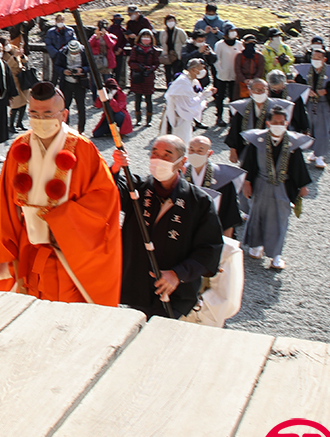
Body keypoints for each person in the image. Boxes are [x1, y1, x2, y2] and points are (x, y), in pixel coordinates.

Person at [0, 82, 121, 305]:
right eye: (34, 114)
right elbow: (5, 206)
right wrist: (6, 249)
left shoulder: (83, 149)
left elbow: (104, 199)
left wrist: (61, 222)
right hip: (28, 248)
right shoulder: (19, 146)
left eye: (48, 114)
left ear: (64, 114)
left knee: (66, 312)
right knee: (28, 308)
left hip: (68, 251)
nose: (41, 119)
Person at [110, 135, 222, 318]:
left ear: (182, 162)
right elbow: (108, 192)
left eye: (167, 155)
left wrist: (178, 274)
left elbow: (210, 249)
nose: (158, 159)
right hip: (138, 285)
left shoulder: (199, 202)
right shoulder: (138, 189)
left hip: (174, 291)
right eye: (155, 153)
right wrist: (116, 167)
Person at [239, 109, 312, 271]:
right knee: (257, 214)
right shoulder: (257, 140)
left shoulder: (292, 142)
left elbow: (298, 166)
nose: (278, 125)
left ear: (286, 123)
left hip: (282, 185)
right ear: (268, 123)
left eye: (281, 122)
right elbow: (249, 163)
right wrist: (247, 182)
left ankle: (276, 254)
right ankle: (256, 245)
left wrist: (302, 186)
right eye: (275, 122)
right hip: (260, 182)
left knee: (280, 219)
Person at [182, 135, 247, 237]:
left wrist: (227, 238)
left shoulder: (222, 178)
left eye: (200, 151)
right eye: (191, 150)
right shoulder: (180, 173)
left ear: (209, 153)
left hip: (213, 231)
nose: (195, 154)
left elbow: (229, 211)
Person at [293, 49, 330, 168]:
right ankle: (315, 151)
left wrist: (326, 91)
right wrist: (306, 90)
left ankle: (320, 155)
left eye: (318, 58)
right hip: (310, 103)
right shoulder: (307, 71)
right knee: (312, 128)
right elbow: (298, 83)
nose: (315, 60)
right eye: (313, 58)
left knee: (323, 129)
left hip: (325, 103)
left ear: (324, 59)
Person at [224, 78, 293, 164]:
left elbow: (284, 128)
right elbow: (235, 129)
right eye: (257, 90)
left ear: (268, 91)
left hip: (270, 149)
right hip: (249, 149)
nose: (260, 92)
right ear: (250, 91)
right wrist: (233, 150)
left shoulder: (276, 107)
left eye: (263, 89)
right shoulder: (243, 107)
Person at [161, 57, 212, 144]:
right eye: (201, 68)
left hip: (185, 117)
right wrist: (204, 95)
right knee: (179, 142)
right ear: (193, 69)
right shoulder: (182, 83)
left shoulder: (193, 80)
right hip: (179, 117)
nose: (203, 71)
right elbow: (189, 104)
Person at [53, 38, 94, 124]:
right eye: (73, 53)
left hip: (80, 83)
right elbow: (56, 66)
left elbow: (91, 66)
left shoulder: (85, 52)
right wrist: (63, 71)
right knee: (65, 106)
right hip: (66, 83)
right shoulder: (62, 53)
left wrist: (82, 70)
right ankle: (66, 126)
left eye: (76, 53)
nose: (75, 54)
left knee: (81, 106)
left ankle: (81, 128)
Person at [127, 30, 160, 126]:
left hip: (148, 76)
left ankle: (149, 120)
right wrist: (139, 67)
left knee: (148, 99)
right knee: (137, 98)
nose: (146, 39)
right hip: (137, 76)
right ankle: (138, 119)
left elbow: (156, 63)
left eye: (148, 37)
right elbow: (131, 62)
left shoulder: (153, 50)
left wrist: (150, 69)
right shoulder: (135, 49)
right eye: (144, 36)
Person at [2, 35, 34, 132]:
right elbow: (6, 65)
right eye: (5, 44)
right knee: (16, 103)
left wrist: (22, 55)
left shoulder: (14, 49)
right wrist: (14, 57)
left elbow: (25, 60)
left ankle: (19, 122)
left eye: (8, 43)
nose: (7, 45)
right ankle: (11, 124)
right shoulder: (2, 54)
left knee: (24, 101)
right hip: (13, 78)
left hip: (22, 77)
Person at [212, 26, 241, 125]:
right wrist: (220, 70)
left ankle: (232, 116)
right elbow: (216, 59)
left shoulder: (239, 44)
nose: (233, 33)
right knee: (220, 96)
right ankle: (219, 116)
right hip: (222, 75)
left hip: (234, 75)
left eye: (234, 31)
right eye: (231, 31)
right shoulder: (219, 44)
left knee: (233, 97)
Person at [43, 13, 76, 83]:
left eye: (61, 20)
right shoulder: (50, 32)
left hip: (67, 55)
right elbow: (48, 44)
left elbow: (73, 42)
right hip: (56, 55)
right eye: (58, 20)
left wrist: (66, 50)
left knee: (66, 72)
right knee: (55, 73)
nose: (60, 22)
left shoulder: (70, 30)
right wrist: (56, 53)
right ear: (56, 21)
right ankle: (53, 86)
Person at [161, 14, 188, 83]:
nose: (170, 22)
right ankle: (169, 87)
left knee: (177, 73)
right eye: (169, 21)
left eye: (172, 20)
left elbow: (185, 42)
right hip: (167, 56)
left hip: (177, 56)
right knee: (168, 74)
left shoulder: (180, 32)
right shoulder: (163, 32)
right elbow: (162, 43)